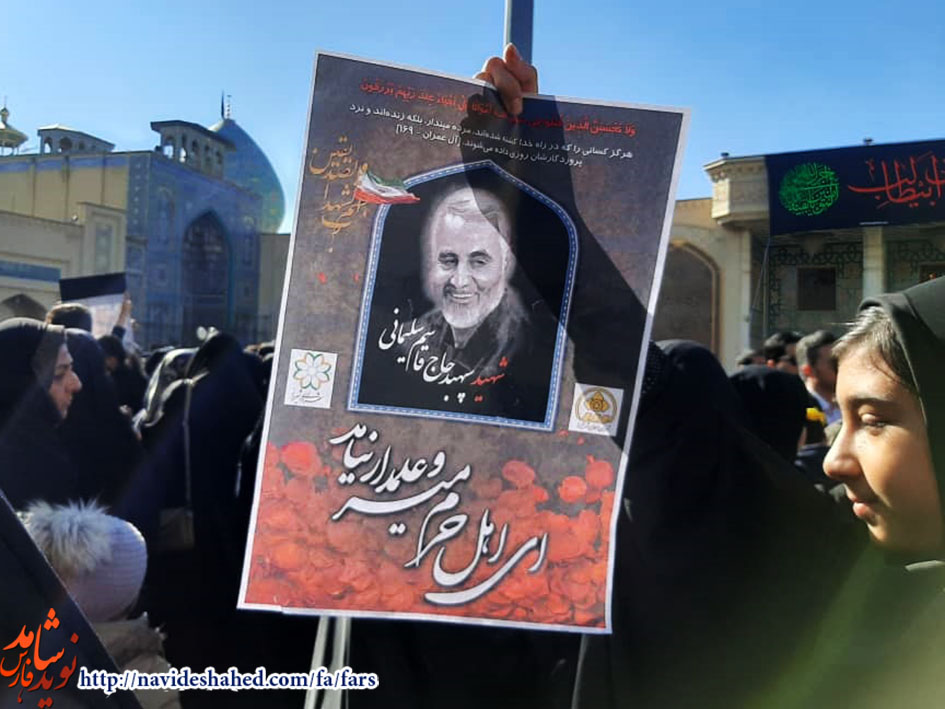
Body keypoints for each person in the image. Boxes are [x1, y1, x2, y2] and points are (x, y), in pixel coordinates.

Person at [0, 318, 83, 509]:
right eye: (59, 374)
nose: (76, 384)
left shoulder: (47, 445)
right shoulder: (27, 467)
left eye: (71, 368)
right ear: (21, 383)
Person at [796, 329, 840, 424]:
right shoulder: (798, 410)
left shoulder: (846, 408)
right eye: (834, 364)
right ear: (808, 371)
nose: (841, 368)